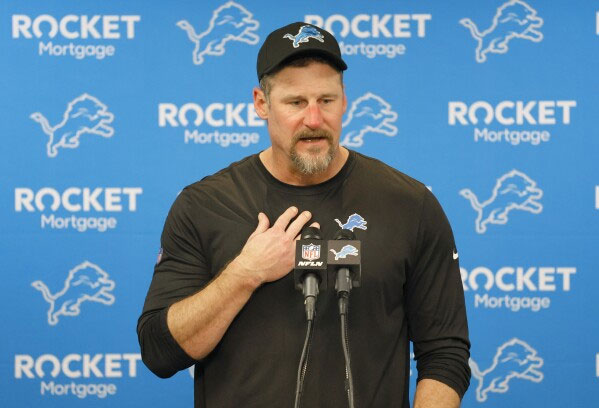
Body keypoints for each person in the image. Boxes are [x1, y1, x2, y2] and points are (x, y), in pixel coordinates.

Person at [137, 22, 470, 408]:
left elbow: (445, 355)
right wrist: (245, 273)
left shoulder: (410, 205)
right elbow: (160, 352)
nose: (314, 119)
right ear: (261, 103)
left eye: (326, 100)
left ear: (344, 101)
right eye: (295, 103)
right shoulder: (205, 205)